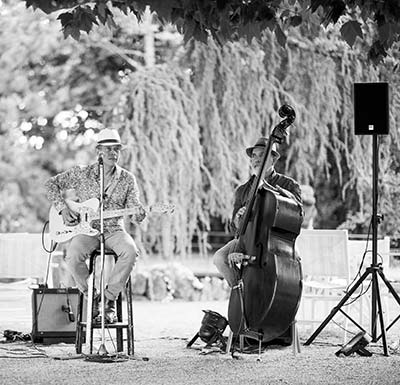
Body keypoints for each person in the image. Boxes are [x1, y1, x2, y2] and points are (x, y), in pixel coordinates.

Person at [45, 128, 146, 323]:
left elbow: (133, 211)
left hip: (114, 229)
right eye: (107, 149)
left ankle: (108, 300)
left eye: (116, 149)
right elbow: (51, 185)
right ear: (98, 151)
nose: (112, 153)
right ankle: (91, 297)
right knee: (73, 256)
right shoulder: (81, 173)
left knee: (130, 252)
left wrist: (139, 215)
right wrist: (63, 209)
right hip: (86, 230)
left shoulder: (127, 178)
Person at [213, 137, 303, 288]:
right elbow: (234, 228)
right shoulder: (242, 190)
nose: (256, 159)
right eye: (254, 156)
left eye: (262, 155)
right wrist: (238, 218)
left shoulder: (288, 184)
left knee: (286, 267)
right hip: (247, 240)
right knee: (219, 258)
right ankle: (241, 291)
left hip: (276, 241)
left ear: (273, 160)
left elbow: (299, 214)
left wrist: (265, 186)